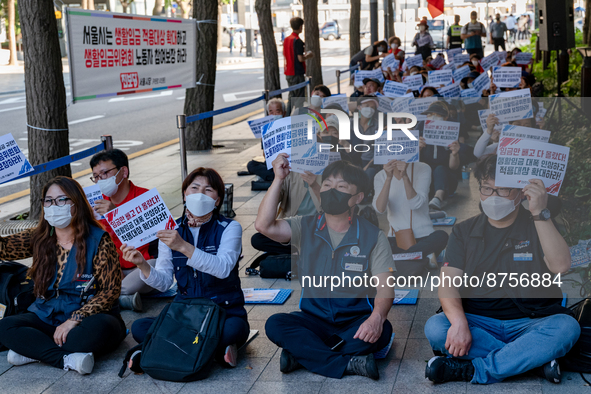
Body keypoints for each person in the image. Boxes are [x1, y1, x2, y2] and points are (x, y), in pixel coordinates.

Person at [424, 154, 580, 384]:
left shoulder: (538, 223)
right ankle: (531, 360)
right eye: (487, 188)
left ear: (520, 192)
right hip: (478, 321)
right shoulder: (463, 231)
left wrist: (539, 213)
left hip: (530, 321)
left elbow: (561, 265)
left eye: (503, 190)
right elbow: (447, 284)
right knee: (436, 327)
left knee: (567, 328)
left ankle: (475, 370)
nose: (493, 197)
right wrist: (459, 324)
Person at [256, 159, 395, 380]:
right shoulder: (306, 225)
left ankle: (302, 355)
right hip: (314, 320)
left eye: (341, 187)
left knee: (383, 330)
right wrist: (278, 178)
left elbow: (385, 288)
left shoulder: (373, 237)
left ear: (357, 198)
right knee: (276, 323)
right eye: (327, 185)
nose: (331, 191)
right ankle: (346, 363)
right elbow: (264, 226)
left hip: (354, 322)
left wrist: (376, 317)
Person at [123, 168, 249, 369]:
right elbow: (164, 282)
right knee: (139, 327)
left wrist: (183, 246)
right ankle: (214, 352)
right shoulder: (172, 229)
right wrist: (142, 264)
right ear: (184, 195)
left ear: (217, 200)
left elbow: (223, 268)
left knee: (233, 329)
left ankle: (160, 349)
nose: (200, 194)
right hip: (187, 312)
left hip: (223, 310)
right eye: (194, 188)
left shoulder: (229, 227)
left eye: (208, 190)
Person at [0, 176, 126, 375]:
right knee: (5, 327)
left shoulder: (98, 239)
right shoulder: (40, 237)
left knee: (91, 334)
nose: (54, 205)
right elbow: (3, 249)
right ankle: (65, 359)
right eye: (49, 201)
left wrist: (75, 319)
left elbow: (110, 292)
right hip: (47, 315)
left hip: (88, 318)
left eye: (62, 200)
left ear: (76, 203)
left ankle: (35, 351)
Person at [90, 149, 154, 311]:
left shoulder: (145, 198)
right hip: (113, 268)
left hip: (142, 265)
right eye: (96, 176)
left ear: (123, 171)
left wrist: (116, 216)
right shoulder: (96, 203)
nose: (100, 179)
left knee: (154, 270)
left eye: (104, 173)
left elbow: (150, 237)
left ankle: (109, 297)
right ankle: (122, 299)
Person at [373, 158, 449, 276]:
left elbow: (416, 204)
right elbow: (380, 209)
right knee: (379, 244)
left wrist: (405, 177)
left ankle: (404, 261)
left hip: (424, 237)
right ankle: (422, 259)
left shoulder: (423, 168)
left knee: (442, 236)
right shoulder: (380, 176)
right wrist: (388, 179)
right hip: (396, 237)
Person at [419, 102, 470, 210]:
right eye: (429, 114)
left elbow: (453, 167)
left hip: (446, 180)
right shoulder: (421, 133)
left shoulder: (451, 135)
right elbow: (414, 163)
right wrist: (417, 149)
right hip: (425, 181)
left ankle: (438, 198)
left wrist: (454, 153)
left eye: (436, 115)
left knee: (440, 169)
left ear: (445, 117)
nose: (432, 117)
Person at [284, 17, 313, 115]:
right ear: (301, 27)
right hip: (297, 72)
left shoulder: (287, 40)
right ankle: (298, 117)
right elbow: (300, 58)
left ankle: (287, 116)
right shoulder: (298, 41)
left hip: (288, 72)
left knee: (291, 96)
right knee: (299, 98)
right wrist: (308, 56)